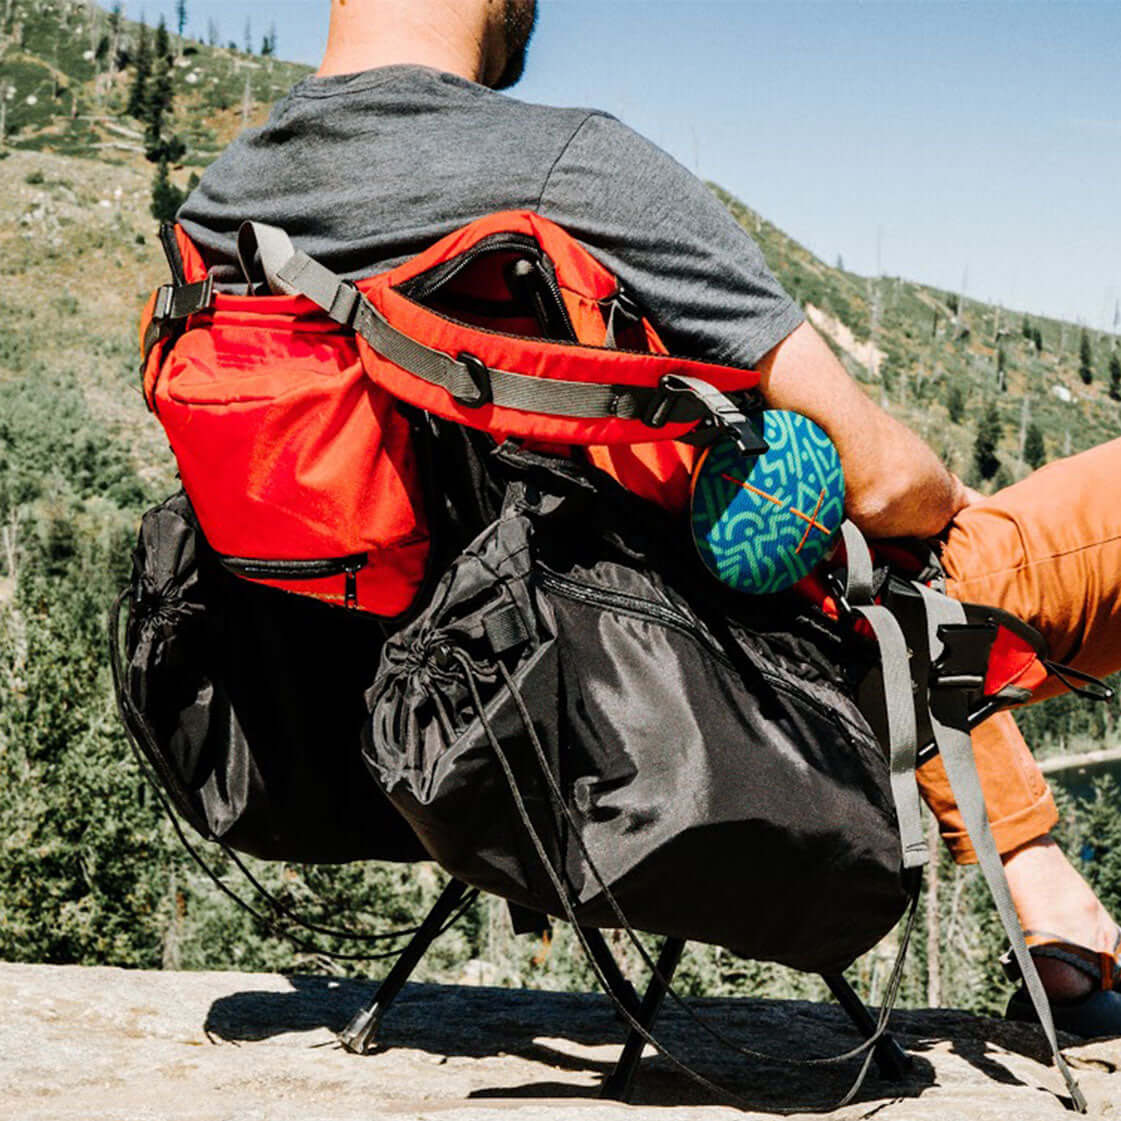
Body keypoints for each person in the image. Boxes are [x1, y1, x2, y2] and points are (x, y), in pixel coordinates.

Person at [177, 0, 1121, 1025]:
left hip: (485, 711)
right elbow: (884, 483)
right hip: (732, 680)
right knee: (906, 555)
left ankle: (1036, 874)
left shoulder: (215, 217)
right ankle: (1034, 875)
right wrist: (950, 492)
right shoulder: (571, 167)